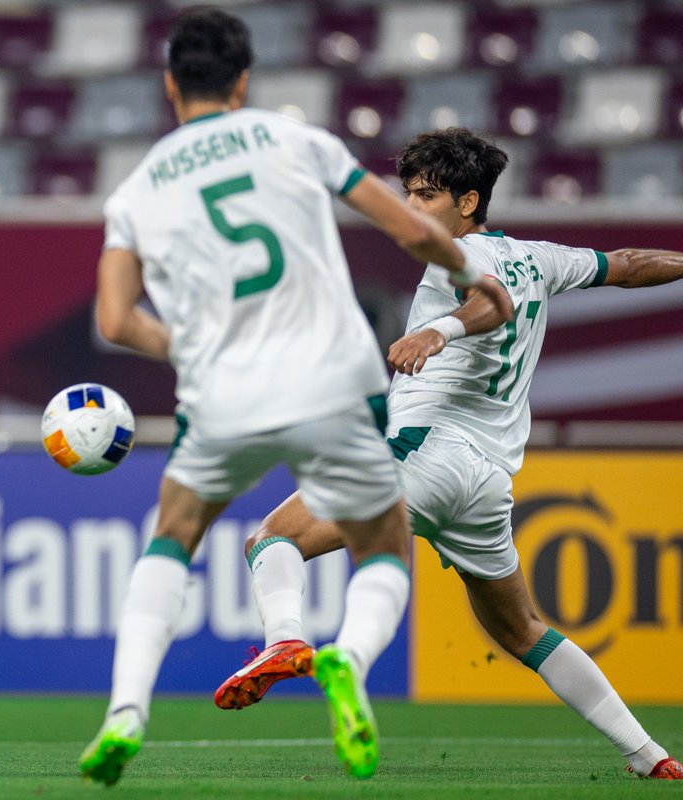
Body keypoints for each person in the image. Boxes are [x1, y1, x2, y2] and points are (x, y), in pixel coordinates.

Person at [77, 9, 511, 786]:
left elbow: (113, 320)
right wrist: (469, 276)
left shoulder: (138, 189)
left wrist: (191, 346)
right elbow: (406, 228)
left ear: (171, 84)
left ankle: (126, 711)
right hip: (332, 380)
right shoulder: (295, 140)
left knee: (171, 540)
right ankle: (346, 655)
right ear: (244, 81)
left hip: (223, 391)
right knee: (383, 547)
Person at [215, 127, 683, 781]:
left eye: (427, 195)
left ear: (468, 202)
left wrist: (439, 329)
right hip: (487, 482)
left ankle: (288, 641)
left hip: (427, 453)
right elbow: (630, 262)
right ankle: (650, 756)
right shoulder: (542, 257)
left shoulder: (453, 257)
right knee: (521, 629)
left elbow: (489, 303)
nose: (412, 207)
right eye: (406, 193)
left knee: (272, 540)